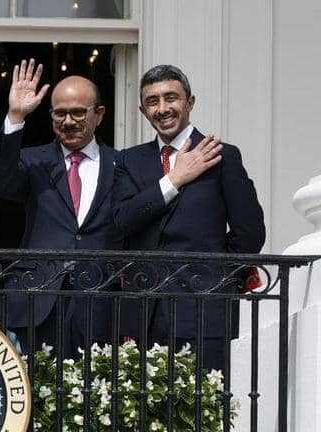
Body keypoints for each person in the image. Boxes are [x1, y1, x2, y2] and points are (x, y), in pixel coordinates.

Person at [112, 64, 265, 370]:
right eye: (152, 101)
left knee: (206, 398)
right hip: (144, 313)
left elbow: (250, 234)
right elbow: (122, 221)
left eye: (171, 97)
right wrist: (174, 179)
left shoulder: (221, 155)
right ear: (143, 111)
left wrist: (217, 279)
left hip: (204, 309)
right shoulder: (129, 160)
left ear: (190, 102)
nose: (162, 108)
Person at [0, 59, 123, 357]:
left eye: (78, 112)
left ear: (99, 114)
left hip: (99, 300)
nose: (68, 121)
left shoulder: (121, 165)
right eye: (60, 113)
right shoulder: (33, 160)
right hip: (37, 298)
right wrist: (16, 116)